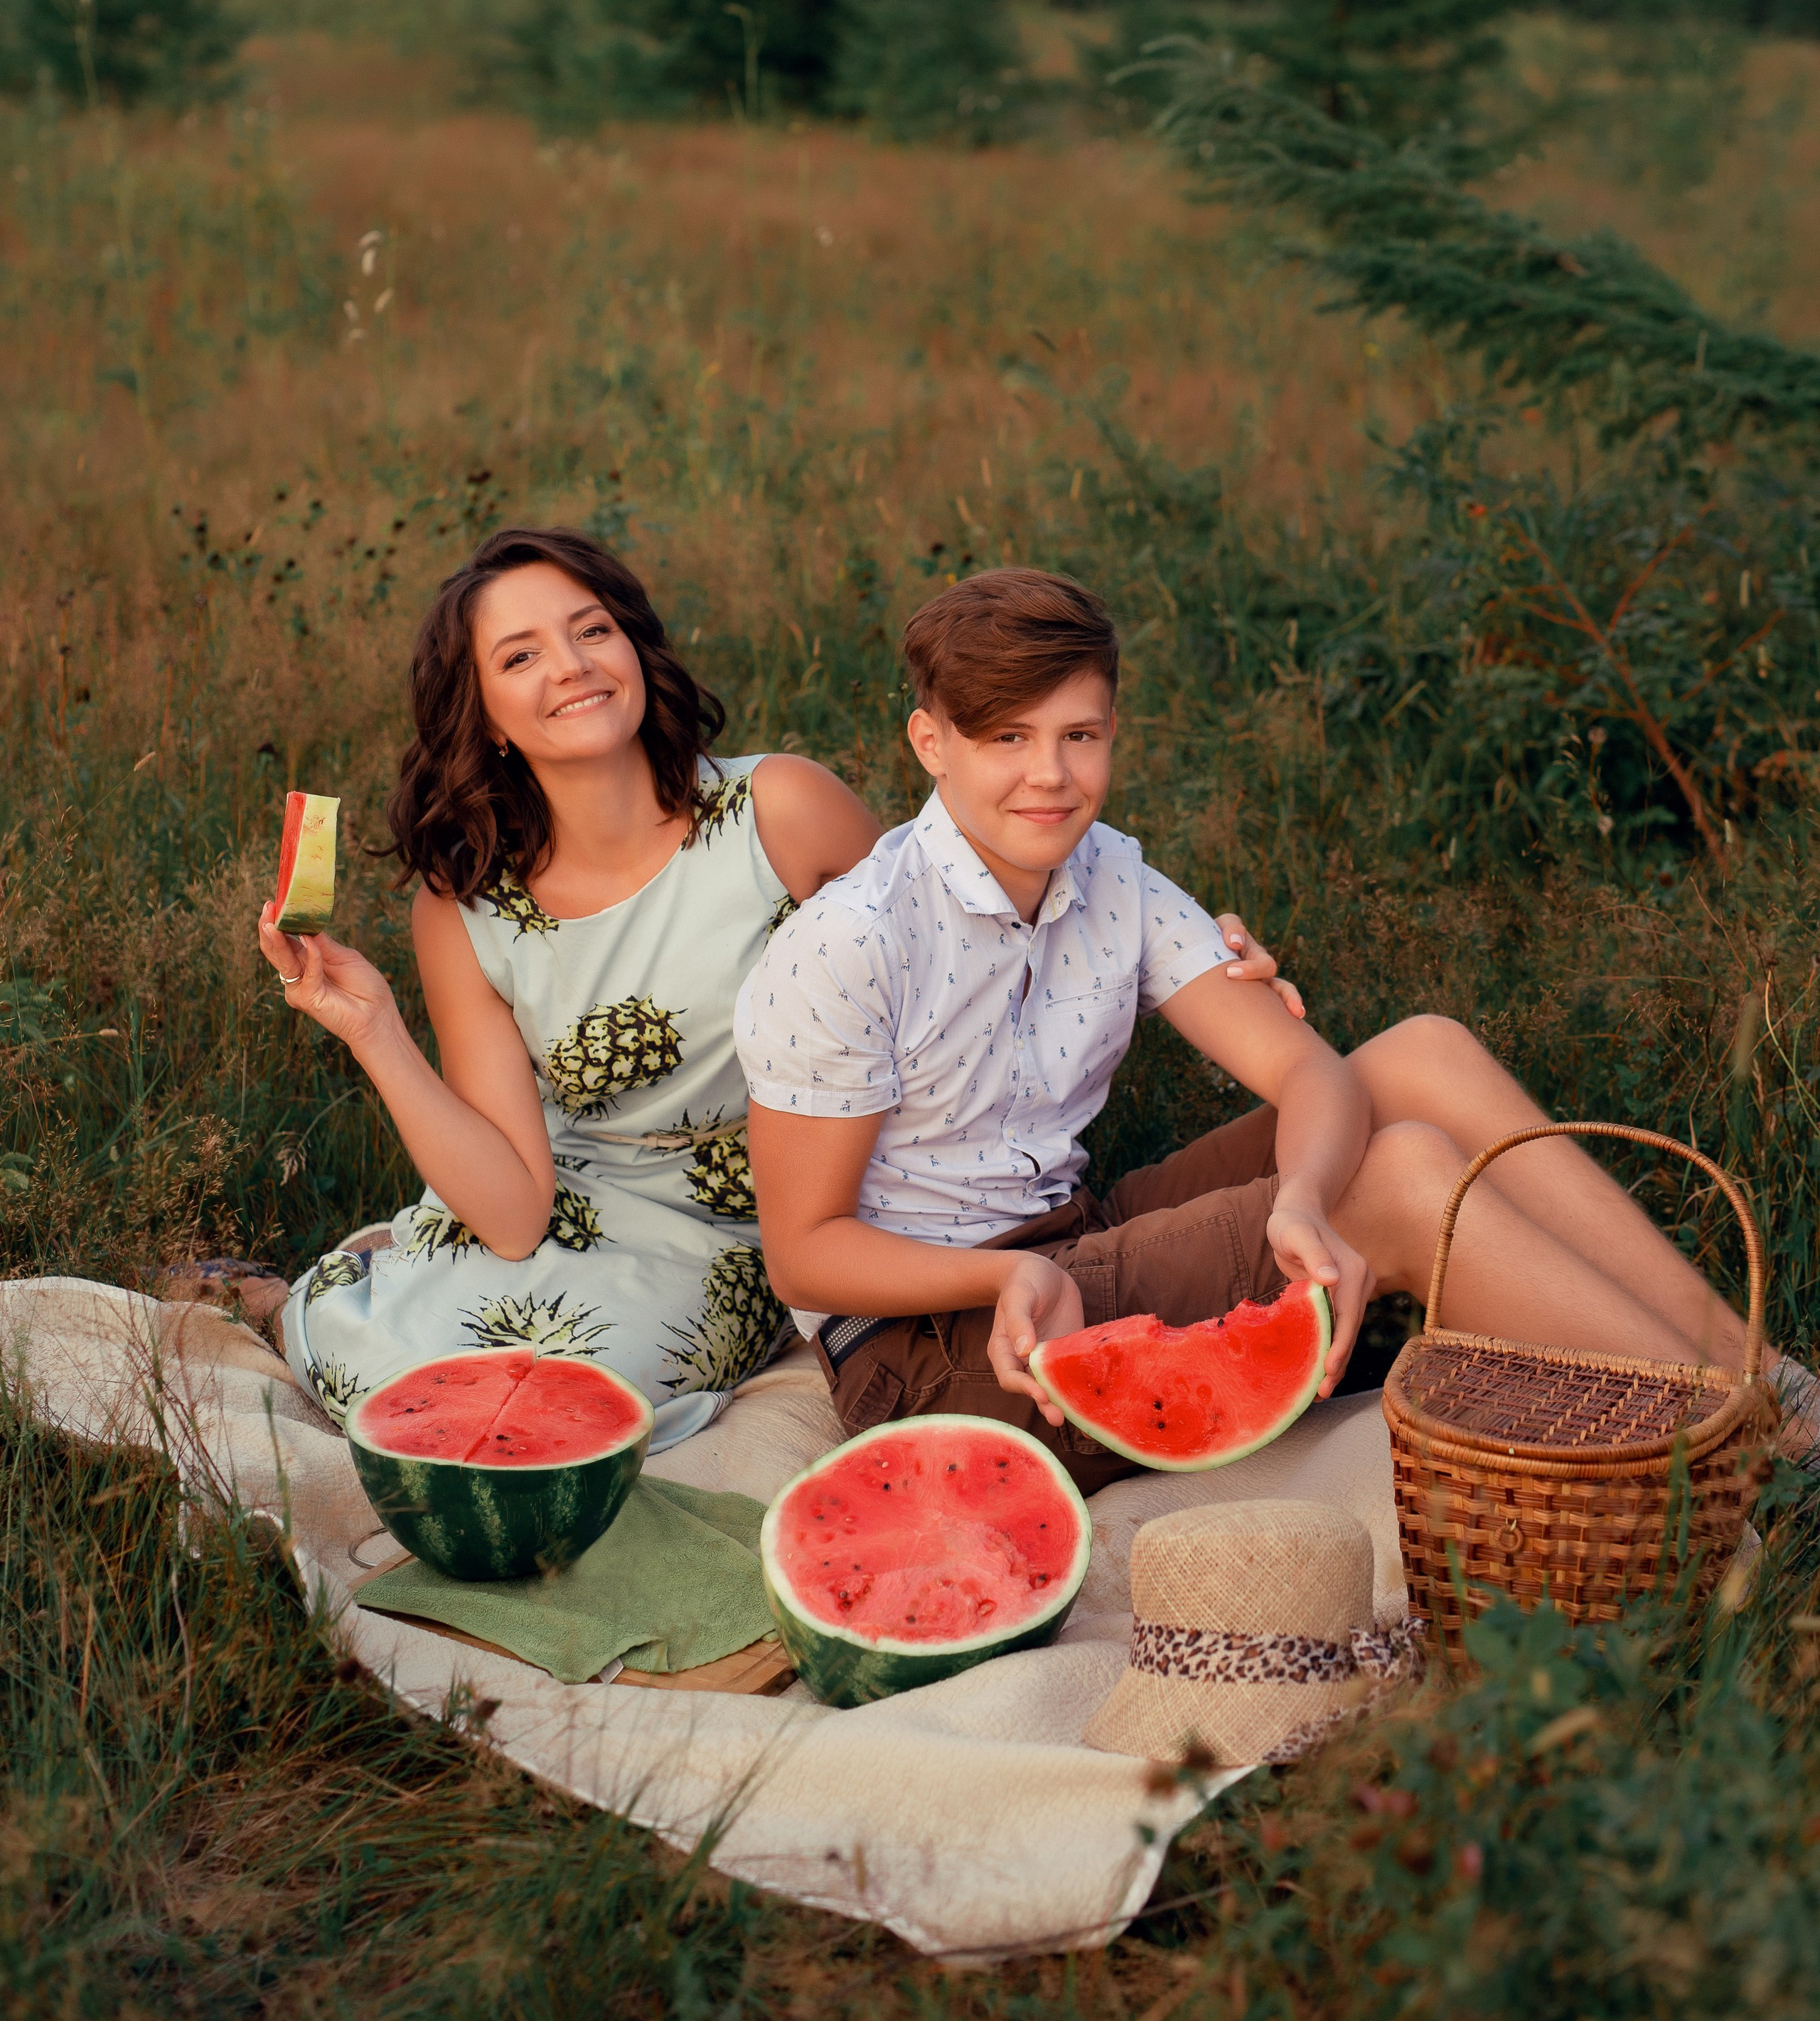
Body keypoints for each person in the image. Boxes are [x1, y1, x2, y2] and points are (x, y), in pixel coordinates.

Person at [737, 567, 1805, 1494]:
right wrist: (1000, 1277)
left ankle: (1758, 1380)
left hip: (1071, 1229)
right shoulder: (855, 941)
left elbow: (1309, 1071)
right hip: (933, 1348)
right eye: (1007, 739)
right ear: (932, 740)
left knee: (1420, 1057)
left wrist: (1299, 1197)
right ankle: (1742, 1458)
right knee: (1398, 1181)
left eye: (1079, 735)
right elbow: (806, 1258)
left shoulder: (1112, 872)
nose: (1050, 776)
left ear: (1114, 730)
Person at [233, 526, 1301, 1441]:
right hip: (566, 1196)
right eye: (521, 656)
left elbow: (969, 915)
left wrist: (1201, 954)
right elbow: (515, 1213)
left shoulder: (778, 810)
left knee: (558, 1396)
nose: (570, 665)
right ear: (487, 714)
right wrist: (372, 1027)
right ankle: (310, 1301)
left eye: (591, 629)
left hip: (779, 1217)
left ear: (635, 647)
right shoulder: (464, 907)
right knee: (402, 1367)